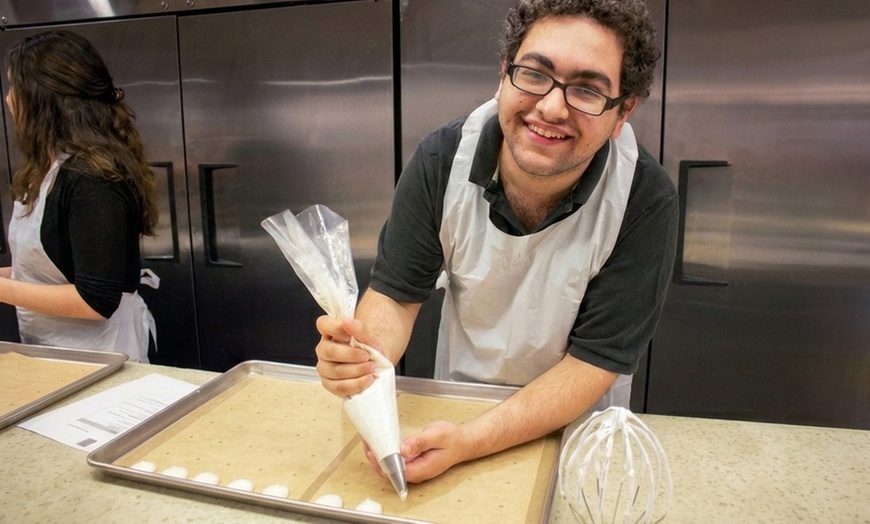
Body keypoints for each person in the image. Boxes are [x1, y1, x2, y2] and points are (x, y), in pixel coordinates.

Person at [315, 0, 678, 483]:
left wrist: (471, 442)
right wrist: (363, 359)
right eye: (534, 73)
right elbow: (396, 295)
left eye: (587, 90)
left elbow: (593, 363)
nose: (551, 107)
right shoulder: (442, 161)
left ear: (622, 113)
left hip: (574, 433)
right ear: (504, 74)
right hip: (456, 412)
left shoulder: (643, 200)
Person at [0, 30, 158, 362]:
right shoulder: (49, 168)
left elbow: (95, 299)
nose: (9, 99)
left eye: (16, 88)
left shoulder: (93, 178)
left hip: (105, 358)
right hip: (56, 355)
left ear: (43, 100)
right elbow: (49, 270)